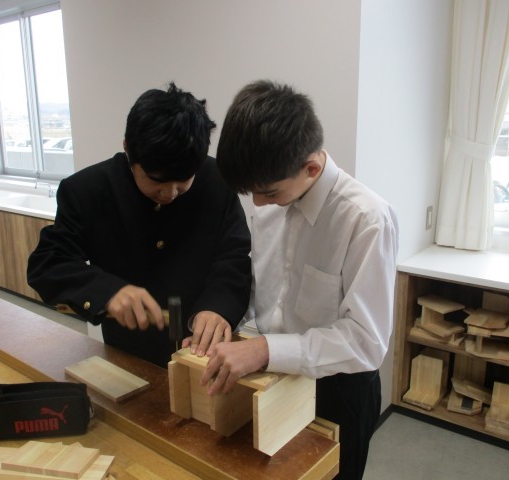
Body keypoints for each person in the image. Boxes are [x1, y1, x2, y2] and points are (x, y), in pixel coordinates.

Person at [204, 80, 399, 480]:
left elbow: (365, 341)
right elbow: (264, 289)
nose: (259, 204)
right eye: (252, 193)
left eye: (268, 192)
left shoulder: (366, 219)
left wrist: (265, 350)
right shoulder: (271, 197)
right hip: (272, 377)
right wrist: (228, 321)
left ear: (311, 168)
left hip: (339, 389)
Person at [27, 83, 252, 368]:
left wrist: (219, 306)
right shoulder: (86, 191)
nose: (170, 193)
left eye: (183, 180)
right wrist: (107, 291)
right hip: (128, 353)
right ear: (128, 150)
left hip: (202, 354)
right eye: (157, 180)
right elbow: (48, 264)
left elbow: (234, 256)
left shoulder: (218, 180)